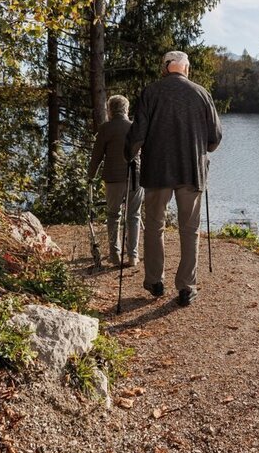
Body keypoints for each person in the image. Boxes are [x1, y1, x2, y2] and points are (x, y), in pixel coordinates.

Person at [127, 51, 222, 307]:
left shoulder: (151, 92)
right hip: (191, 170)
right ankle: (186, 287)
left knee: (155, 225)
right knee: (190, 230)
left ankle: (154, 281)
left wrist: (130, 155)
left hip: (157, 170)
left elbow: (137, 136)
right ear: (185, 68)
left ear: (165, 67)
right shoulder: (202, 94)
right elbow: (214, 139)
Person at [88, 95, 143, 267]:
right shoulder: (136, 127)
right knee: (134, 215)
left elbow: (96, 156)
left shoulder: (105, 129)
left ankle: (114, 255)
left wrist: (90, 176)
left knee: (113, 215)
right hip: (135, 176)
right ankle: (133, 256)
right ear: (126, 110)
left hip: (113, 178)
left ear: (110, 110)